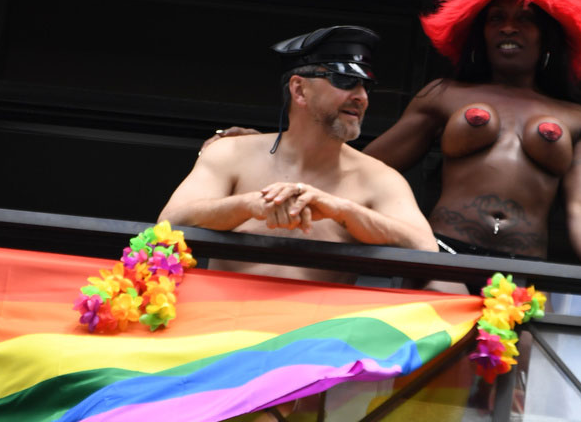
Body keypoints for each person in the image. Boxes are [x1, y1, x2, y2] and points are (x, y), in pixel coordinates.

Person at [363, 0, 581, 279]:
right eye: (496, 19)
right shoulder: (444, 94)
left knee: (526, 338)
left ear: (548, 34)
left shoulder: (579, 119)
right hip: (443, 255)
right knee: (440, 332)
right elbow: (369, 170)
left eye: (525, 18)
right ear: (479, 32)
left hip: (523, 268)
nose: (508, 28)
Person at [159, 25, 437, 279]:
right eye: (345, 81)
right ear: (299, 90)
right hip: (224, 326)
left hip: (322, 331)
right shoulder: (231, 153)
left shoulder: (379, 178)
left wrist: (341, 209)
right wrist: (249, 205)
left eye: (366, 86)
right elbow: (168, 224)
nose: (362, 97)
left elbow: (425, 247)